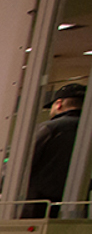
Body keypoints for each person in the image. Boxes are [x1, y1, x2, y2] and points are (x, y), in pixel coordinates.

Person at [25, 82, 85, 218]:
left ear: (59, 104)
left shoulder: (49, 129)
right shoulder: (86, 132)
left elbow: (20, 164)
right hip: (79, 209)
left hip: (36, 207)